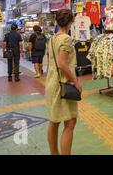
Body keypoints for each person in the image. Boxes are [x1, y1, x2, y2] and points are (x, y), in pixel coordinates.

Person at [46, 9, 82, 155]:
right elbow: (62, 63)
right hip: (63, 84)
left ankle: (54, 153)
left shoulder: (53, 38)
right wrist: (76, 82)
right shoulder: (66, 39)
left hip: (51, 83)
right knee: (70, 122)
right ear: (71, 22)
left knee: (54, 121)